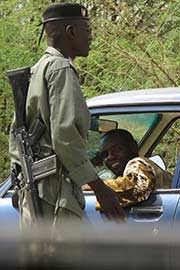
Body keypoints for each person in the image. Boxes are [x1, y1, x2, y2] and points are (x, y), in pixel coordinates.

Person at [9, 3, 125, 230]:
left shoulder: (39, 69)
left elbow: (17, 137)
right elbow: (65, 137)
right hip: (56, 198)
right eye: (87, 31)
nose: (91, 37)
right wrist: (100, 189)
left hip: (39, 196)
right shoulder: (60, 69)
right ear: (71, 31)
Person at [92, 129, 172, 210]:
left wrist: (94, 185)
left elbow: (137, 187)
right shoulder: (126, 172)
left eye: (117, 149)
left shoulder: (139, 163)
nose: (110, 157)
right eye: (105, 154)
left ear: (133, 147)